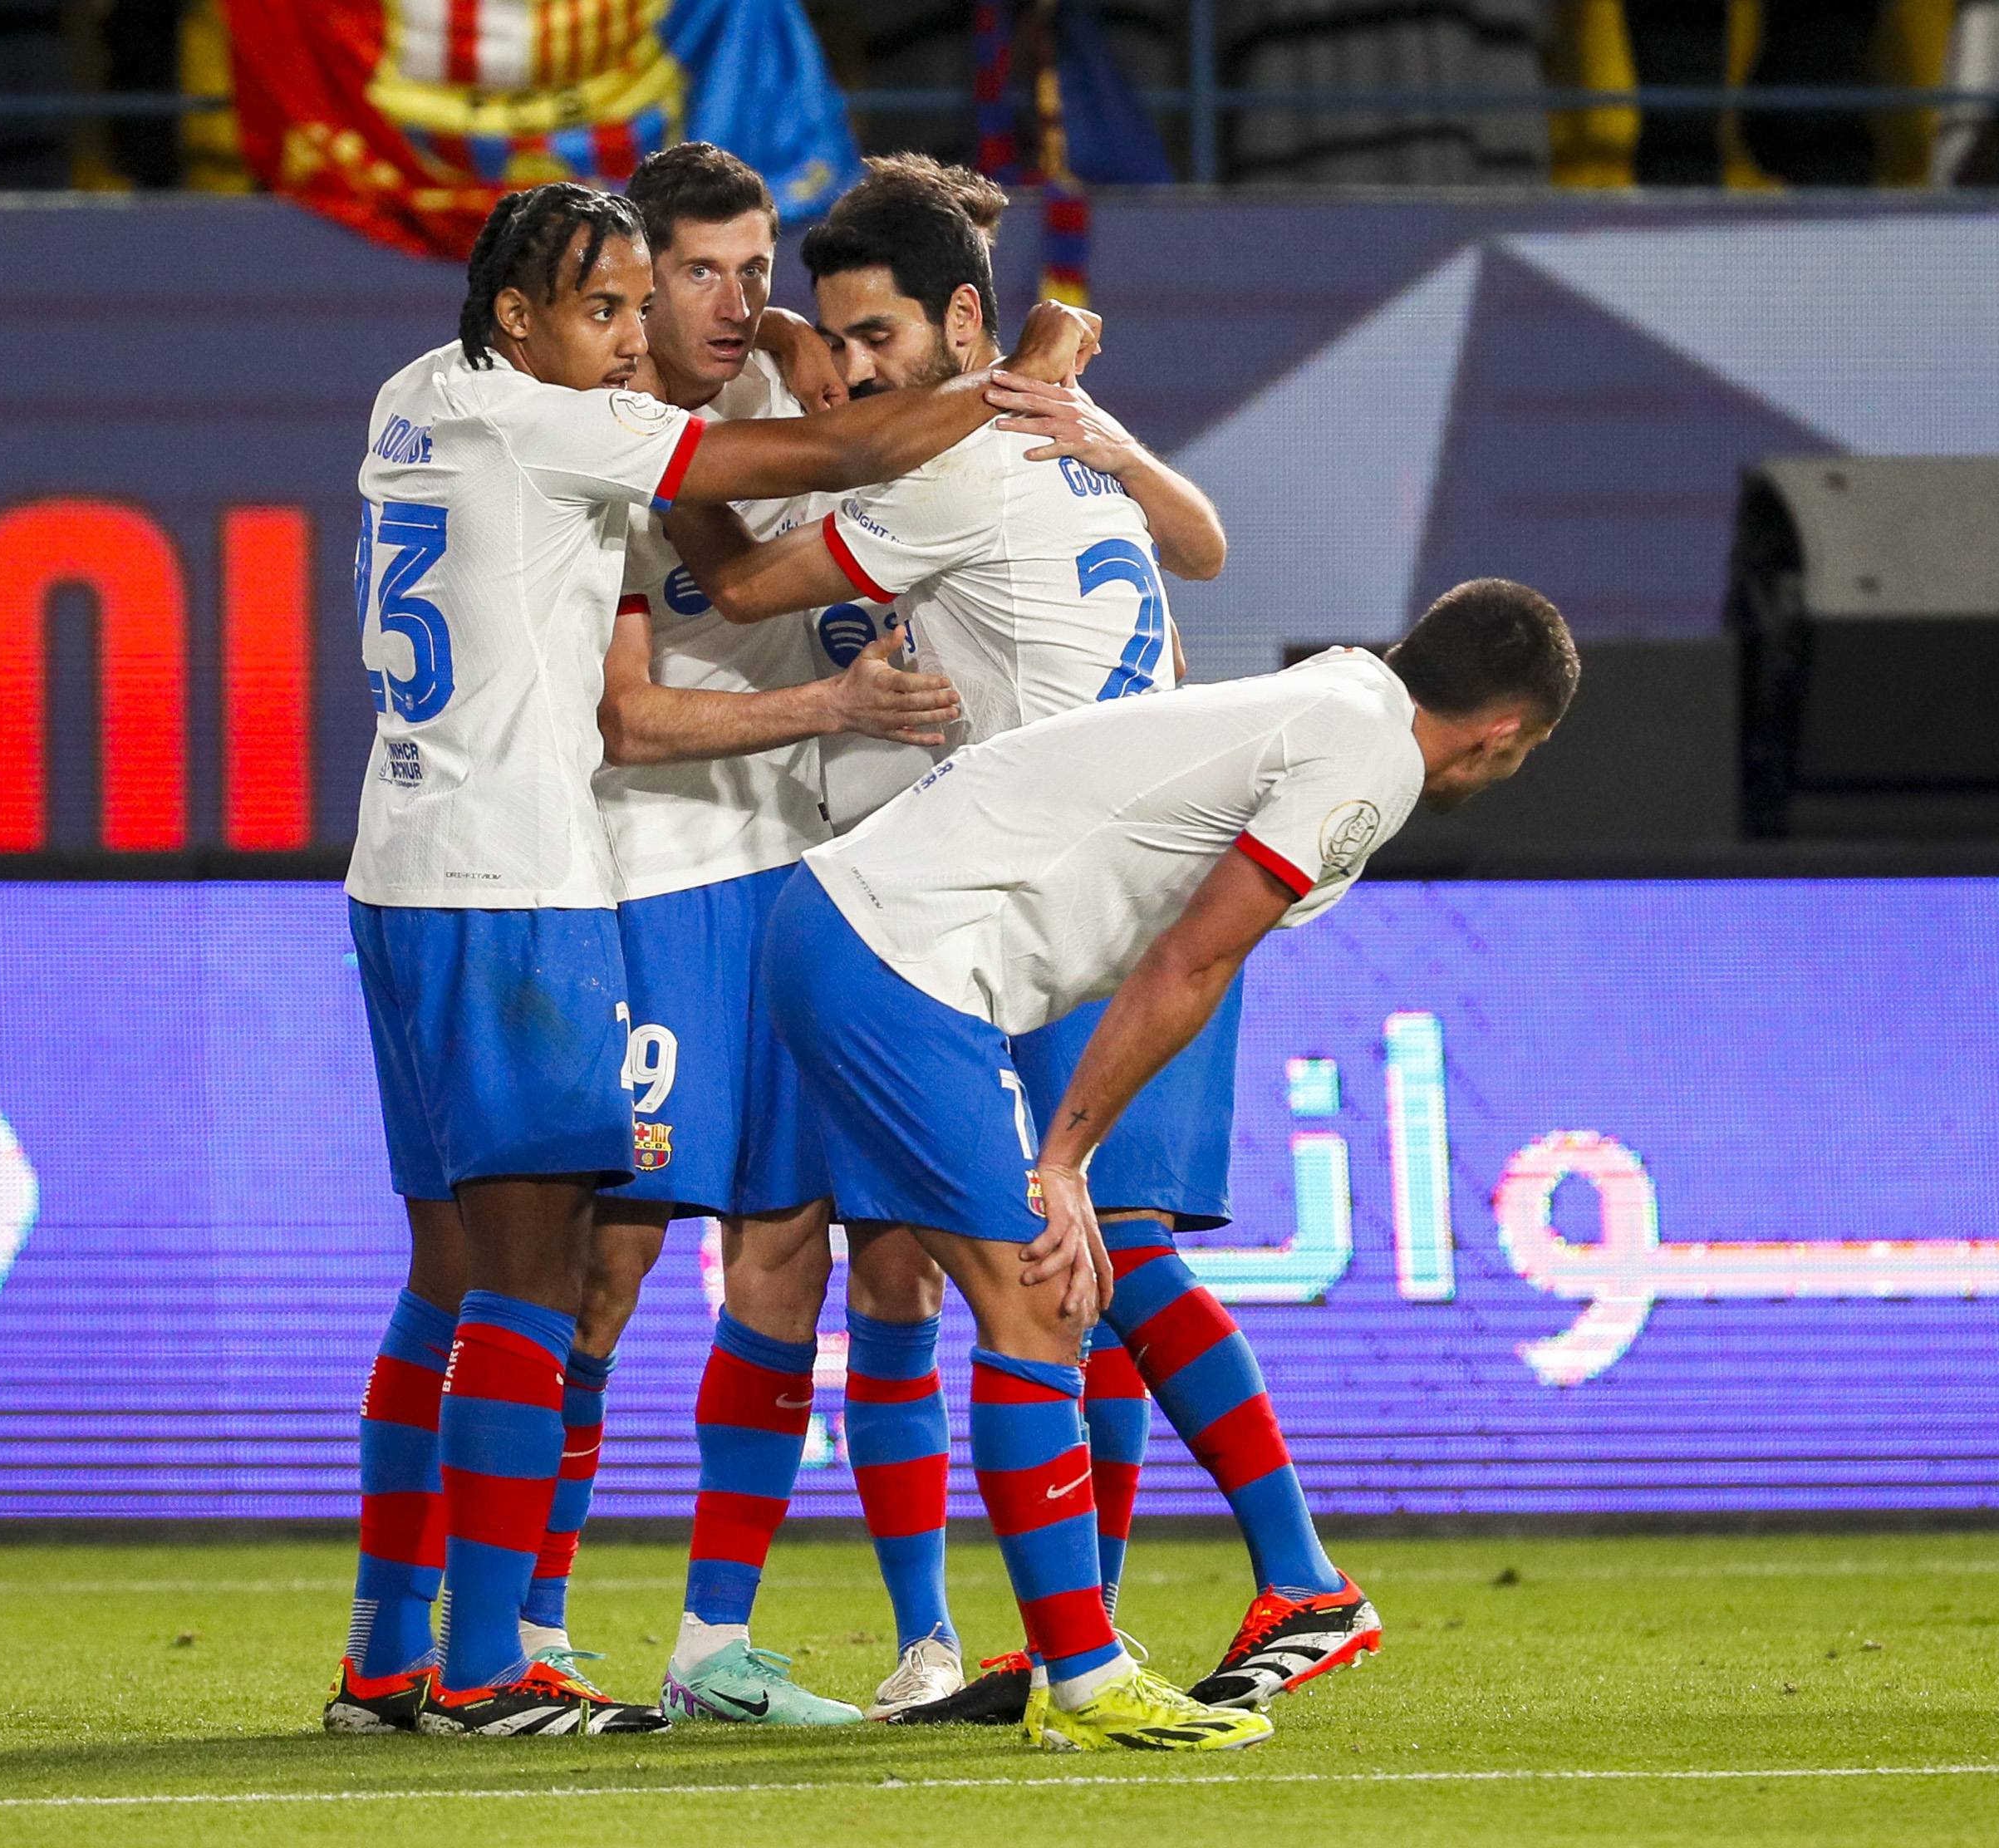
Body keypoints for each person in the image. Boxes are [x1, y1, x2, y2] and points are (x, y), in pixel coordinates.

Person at [323, 177, 1098, 1739]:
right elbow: (849, 452)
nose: (627, 341)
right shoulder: (576, 427)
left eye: (642, 307)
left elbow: (763, 379)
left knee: (457, 1276)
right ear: (524, 318)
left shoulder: (421, 399)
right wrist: (1045, 362)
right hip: (532, 887)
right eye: (605, 308)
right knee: (545, 1279)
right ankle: (495, 1662)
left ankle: (388, 1655)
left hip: (398, 872)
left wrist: (788, 324)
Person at [691, 156, 1369, 1719]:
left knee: (1087, 1258)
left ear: (961, 319)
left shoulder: (954, 470)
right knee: (1090, 1263)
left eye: (879, 337)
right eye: (840, 336)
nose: (857, 370)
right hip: (1139, 872)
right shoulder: (1041, 436)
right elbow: (1195, 547)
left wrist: (655, 447)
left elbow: (735, 577)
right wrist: (1043, 391)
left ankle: (1296, 1579)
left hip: (1096, 887)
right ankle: (1113, 1618)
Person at [759, 578, 1577, 1749]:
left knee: (1041, 1296)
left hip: (857, 928)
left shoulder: (1342, 685)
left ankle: (1083, 1654)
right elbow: (1189, 965)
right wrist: (1071, 1155)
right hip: (900, 954)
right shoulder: (1373, 759)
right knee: (1043, 1292)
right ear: (1504, 733)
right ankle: (1089, 1678)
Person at [507, 140, 970, 1731]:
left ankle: (817, 1646)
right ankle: (526, 1625)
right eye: (697, 271)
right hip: (650, 882)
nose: (735, 298)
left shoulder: (820, 426)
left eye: (755, 269)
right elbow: (629, 720)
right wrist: (838, 700)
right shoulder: (613, 451)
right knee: (607, 1260)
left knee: (850, 1250)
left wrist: (791, 355)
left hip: (824, 885)